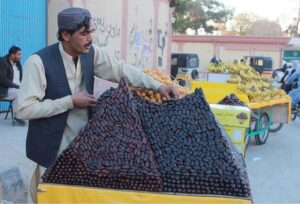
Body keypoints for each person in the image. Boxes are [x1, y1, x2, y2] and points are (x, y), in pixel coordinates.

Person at [15, 7, 179, 202]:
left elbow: (120, 70)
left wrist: (158, 85)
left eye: (91, 32)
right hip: (50, 151)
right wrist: (70, 102)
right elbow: (23, 109)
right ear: (65, 35)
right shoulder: (38, 62)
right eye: (84, 34)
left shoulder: (90, 54)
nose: (90, 38)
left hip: (82, 150)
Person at [0, 46, 25, 124]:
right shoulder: (3, 62)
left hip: (16, 88)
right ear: (12, 55)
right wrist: (17, 86)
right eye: (19, 54)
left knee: (29, 93)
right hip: (6, 90)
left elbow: (20, 77)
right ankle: (17, 115)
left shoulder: (17, 63)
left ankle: (24, 113)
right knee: (20, 93)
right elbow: (2, 79)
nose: (21, 56)